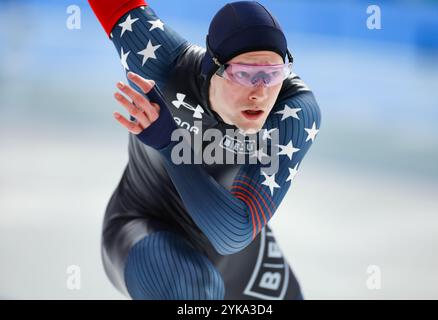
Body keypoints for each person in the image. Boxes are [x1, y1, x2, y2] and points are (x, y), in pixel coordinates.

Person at [88, 0, 321, 300]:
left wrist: (170, 143)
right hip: (146, 235)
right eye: (244, 74)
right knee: (193, 291)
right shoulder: (162, 65)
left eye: (273, 74)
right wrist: (170, 142)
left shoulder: (293, 109)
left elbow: (233, 233)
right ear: (215, 68)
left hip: (238, 259)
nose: (260, 92)